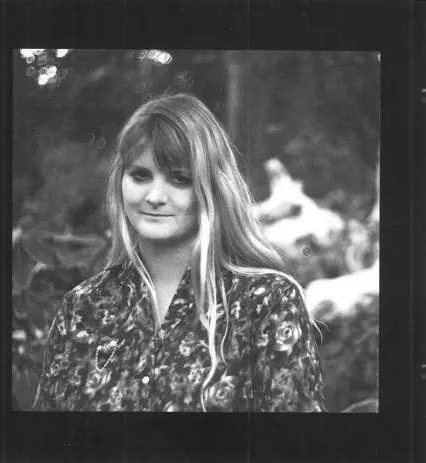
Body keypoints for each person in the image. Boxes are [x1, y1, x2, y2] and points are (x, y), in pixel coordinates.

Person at [33, 92, 326, 412]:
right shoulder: (82, 308)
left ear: (211, 189)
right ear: (121, 181)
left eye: (179, 179)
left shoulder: (266, 303)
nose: (155, 196)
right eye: (140, 175)